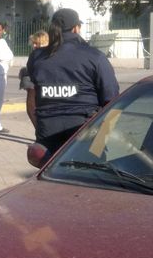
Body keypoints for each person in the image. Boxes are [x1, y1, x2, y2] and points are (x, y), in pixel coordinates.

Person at [26, 8, 119, 156]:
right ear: (76, 28)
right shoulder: (95, 56)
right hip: (86, 136)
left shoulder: (36, 57)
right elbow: (112, 102)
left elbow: (31, 98)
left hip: (47, 136)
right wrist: (99, 145)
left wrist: (40, 130)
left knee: (51, 172)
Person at [19, 30, 49, 129]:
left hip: (38, 86)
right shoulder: (37, 53)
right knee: (32, 110)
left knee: (31, 109)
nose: (34, 45)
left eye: (37, 43)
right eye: (33, 43)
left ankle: (40, 132)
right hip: (36, 86)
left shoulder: (41, 54)